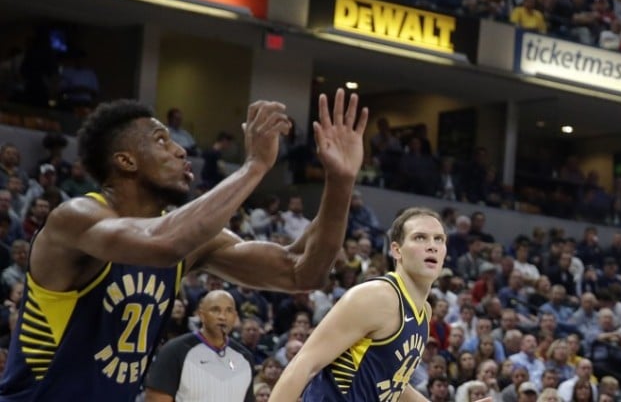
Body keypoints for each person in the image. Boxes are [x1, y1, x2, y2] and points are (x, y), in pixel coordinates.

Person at [0, 90, 368, 401]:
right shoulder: (75, 218)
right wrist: (254, 165)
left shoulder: (190, 242)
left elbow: (302, 271)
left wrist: (340, 180)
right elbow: (162, 243)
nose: (180, 151)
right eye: (161, 140)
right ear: (126, 160)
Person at [267, 207, 447, 401]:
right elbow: (304, 364)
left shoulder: (424, 312)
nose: (432, 246)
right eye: (420, 237)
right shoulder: (376, 297)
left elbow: (394, 383)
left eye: (439, 239)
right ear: (396, 250)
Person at [142, 290, 255, 401]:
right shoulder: (174, 351)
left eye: (229, 311)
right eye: (215, 310)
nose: (222, 316)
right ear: (201, 315)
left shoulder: (245, 357)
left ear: (235, 316)